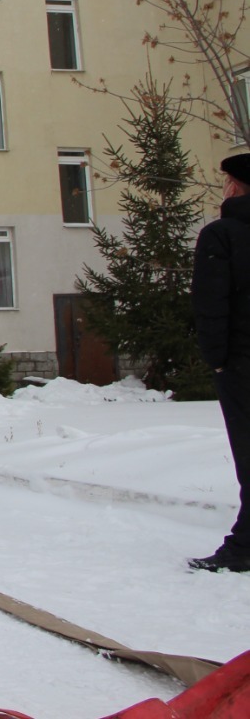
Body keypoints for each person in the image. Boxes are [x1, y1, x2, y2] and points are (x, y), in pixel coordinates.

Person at [189, 152, 250, 573]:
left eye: (226, 180)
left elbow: (211, 305)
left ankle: (244, 546)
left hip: (242, 361)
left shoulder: (221, 235)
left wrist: (217, 361)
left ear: (235, 186)